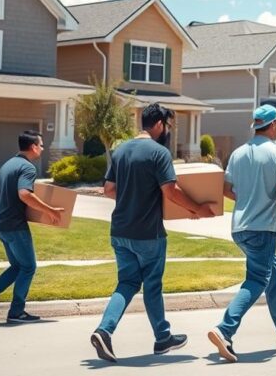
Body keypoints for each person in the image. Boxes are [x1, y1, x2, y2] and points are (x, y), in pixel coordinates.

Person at [90, 104, 217, 363]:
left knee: (127, 283)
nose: (167, 130)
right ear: (158, 124)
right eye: (167, 125)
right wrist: (198, 209)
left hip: (120, 230)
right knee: (152, 284)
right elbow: (171, 191)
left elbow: (109, 190)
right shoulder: (159, 153)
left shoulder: (120, 150)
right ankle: (161, 337)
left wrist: (132, 195)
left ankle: (106, 330)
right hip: (148, 233)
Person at [208, 105, 276, 363]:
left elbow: (226, 189)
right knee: (257, 280)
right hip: (263, 229)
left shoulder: (238, 153)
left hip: (239, 228)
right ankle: (225, 329)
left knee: (272, 276)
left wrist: (247, 200)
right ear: (272, 125)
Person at [0, 130, 63, 324]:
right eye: (41, 145)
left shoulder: (8, 164)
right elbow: (24, 194)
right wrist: (50, 211)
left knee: (17, 266)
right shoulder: (28, 168)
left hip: (1, 224)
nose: (43, 148)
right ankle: (17, 312)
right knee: (28, 267)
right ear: (33, 147)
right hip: (14, 226)